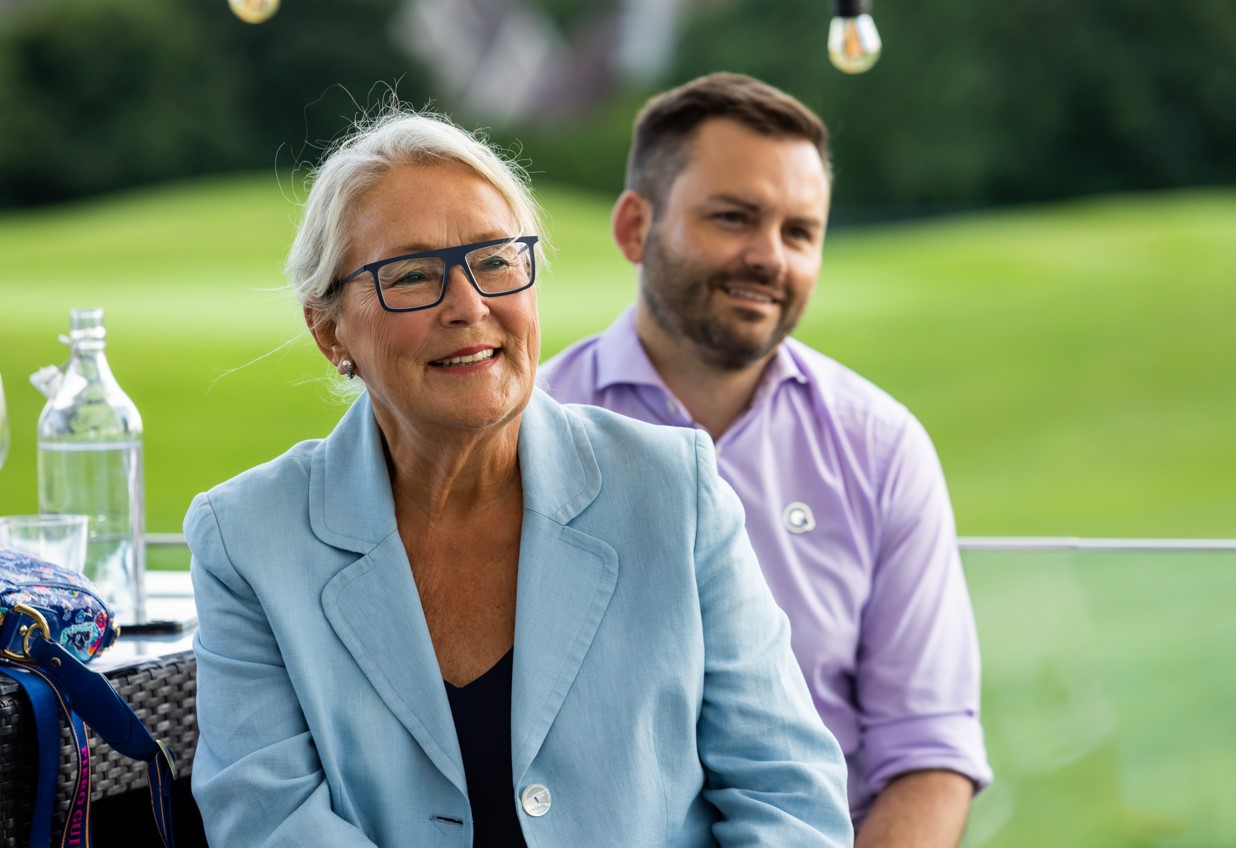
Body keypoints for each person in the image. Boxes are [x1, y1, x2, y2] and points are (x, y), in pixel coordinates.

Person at [185, 107, 854, 847]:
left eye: (497, 261)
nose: (468, 306)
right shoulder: (248, 536)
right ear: (329, 331)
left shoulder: (674, 489)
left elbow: (790, 798)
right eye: (411, 275)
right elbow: (266, 821)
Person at [540, 72, 993, 845]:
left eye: (799, 232)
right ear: (633, 227)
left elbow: (928, 752)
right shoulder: (527, 436)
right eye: (733, 217)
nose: (769, 258)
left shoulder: (880, 448)